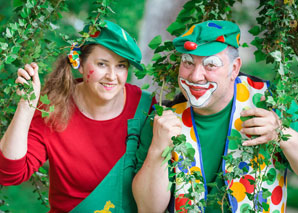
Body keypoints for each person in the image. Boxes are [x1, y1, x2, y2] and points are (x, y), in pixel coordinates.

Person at [132, 20, 298, 212]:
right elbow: (147, 208)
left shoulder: (274, 103)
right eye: (188, 63)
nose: (195, 76)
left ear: (234, 68)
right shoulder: (163, 120)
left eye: (210, 65)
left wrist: (281, 133)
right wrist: (157, 149)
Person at [0, 20, 155, 212]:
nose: (112, 76)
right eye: (102, 64)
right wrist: (26, 105)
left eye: (121, 66)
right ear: (79, 64)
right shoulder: (54, 107)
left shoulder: (145, 108)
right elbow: (10, 174)